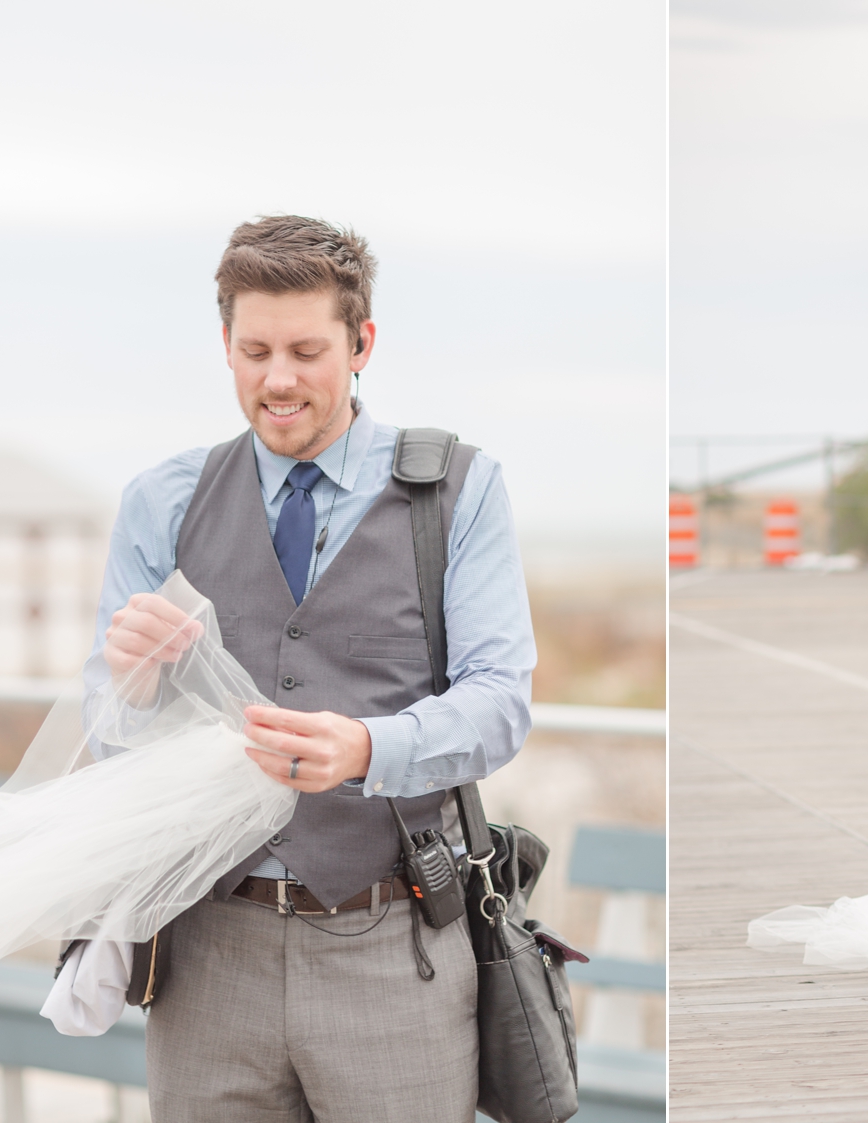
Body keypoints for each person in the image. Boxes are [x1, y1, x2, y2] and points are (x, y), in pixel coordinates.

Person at [90, 215, 534, 1120]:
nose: (277, 379)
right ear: (225, 345)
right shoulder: (159, 501)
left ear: (362, 342)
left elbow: (501, 706)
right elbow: (111, 736)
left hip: (392, 956)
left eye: (305, 349)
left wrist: (369, 747)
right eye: (254, 350)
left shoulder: (460, 490)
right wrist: (131, 690)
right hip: (205, 956)